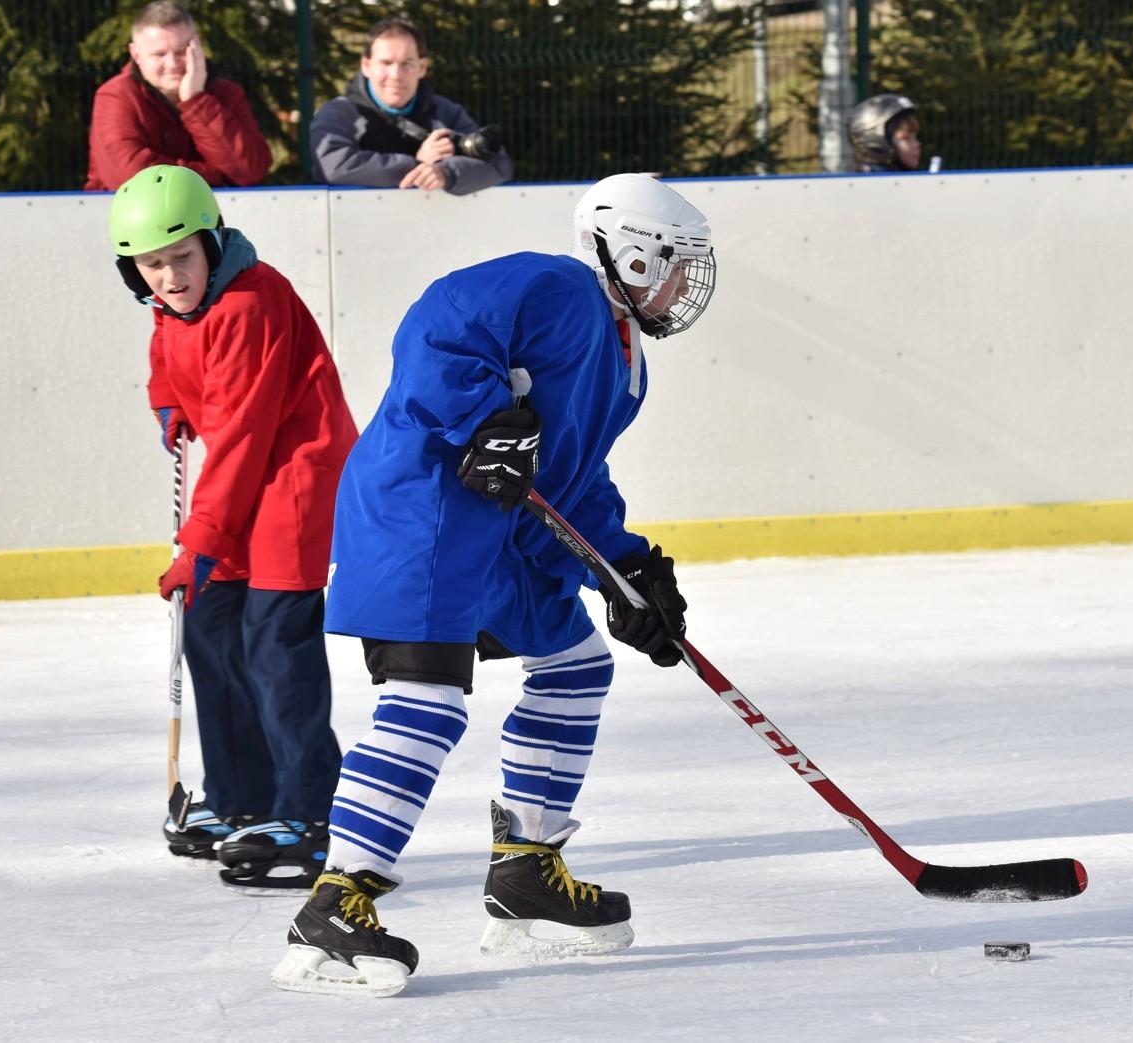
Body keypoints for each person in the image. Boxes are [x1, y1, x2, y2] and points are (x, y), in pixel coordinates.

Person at [269, 173, 715, 997]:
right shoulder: (555, 286)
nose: (685, 285)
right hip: (423, 513)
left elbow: (570, 478)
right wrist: (485, 419)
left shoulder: (628, 367)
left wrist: (626, 567)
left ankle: (525, 870)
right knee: (428, 702)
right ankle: (334, 903)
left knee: (577, 665)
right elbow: (438, 328)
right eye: (675, 265)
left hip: (500, 540)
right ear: (631, 254)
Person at [108, 164, 357, 892]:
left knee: (274, 646)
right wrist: (167, 401)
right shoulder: (173, 306)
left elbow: (245, 435)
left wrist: (200, 543)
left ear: (213, 243)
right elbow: (169, 352)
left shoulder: (250, 301)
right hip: (242, 482)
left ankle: (308, 815)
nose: (170, 277)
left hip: (294, 475)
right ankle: (241, 797)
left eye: (182, 257)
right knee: (211, 629)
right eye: (151, 265)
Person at [311, 16, 512, 194]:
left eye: (407, 63)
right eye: (386, 63)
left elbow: (499, 165)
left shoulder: (444, 112)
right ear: (366, 65)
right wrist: (418, 164)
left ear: (422, 67)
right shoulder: (339, 113)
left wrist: (445, 173)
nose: (396, 75)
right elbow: (334, 168)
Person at [85, 2, 271, 192]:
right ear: (136, 54)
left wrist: (196, 102)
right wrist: (217, 177)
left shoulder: (227, 94)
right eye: (159, 54)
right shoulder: (116, 96)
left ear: (196, 46)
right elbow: (133, 178)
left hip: (216, 210)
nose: (172, 64)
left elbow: (250, 170)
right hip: (123, 211)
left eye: (181, 51)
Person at [849, 93, 924, 173]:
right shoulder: (871, 179)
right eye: (906, 138)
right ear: (878, 141)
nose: (917, 144)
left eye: (915, 137)